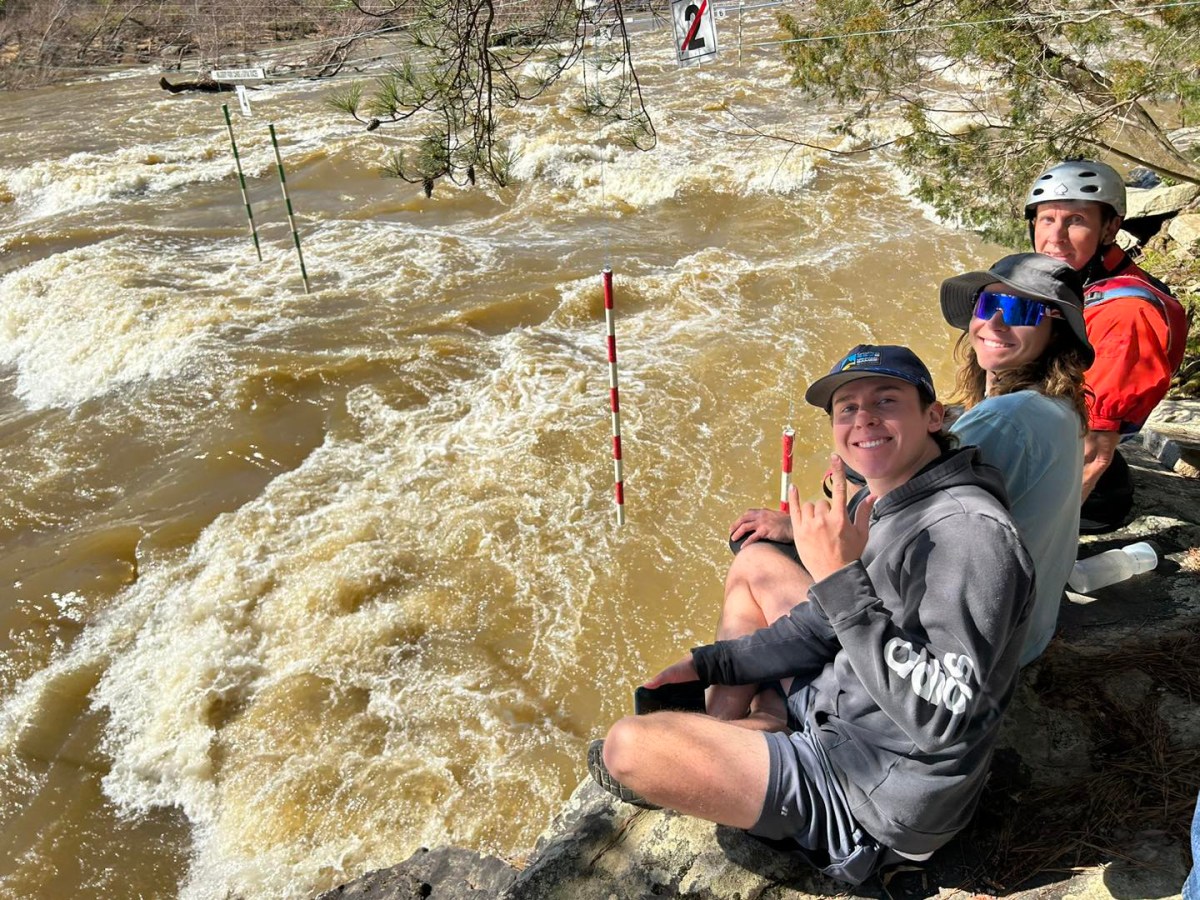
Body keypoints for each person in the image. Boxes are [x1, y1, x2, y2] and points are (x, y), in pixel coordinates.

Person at [587, 345, 1035, 885]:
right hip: (848, 704)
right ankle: (740, 731)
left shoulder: (969, 536)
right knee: (756, 561)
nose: (863, 417)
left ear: (933, 417)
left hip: (872, 794)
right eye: (846, 408)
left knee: (628, 746)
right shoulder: (891, 500)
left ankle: (743, 741)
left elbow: (943, 717)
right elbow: (823, 624)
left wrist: (837, 578)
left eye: (886, 400)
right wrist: (712, 663)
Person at [940, 253, 1092, 665]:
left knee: (760, 561)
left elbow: (901, 526)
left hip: (974, 651)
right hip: (1029, 629)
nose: (995, 323)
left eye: (1019, 309)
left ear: (1056, 331)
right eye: (987, 305)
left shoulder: (1005, 420)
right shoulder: (1058, 405)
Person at [1024, 159, 1189, 532]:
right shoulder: (1082, 281)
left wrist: (1037, 538)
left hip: (1081, 489)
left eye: (1076, 221)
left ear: (1111, 227)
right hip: (1053, 444)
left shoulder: (1126, 316)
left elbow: (1092, 451)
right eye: (1047, 219)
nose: (1056, 236)